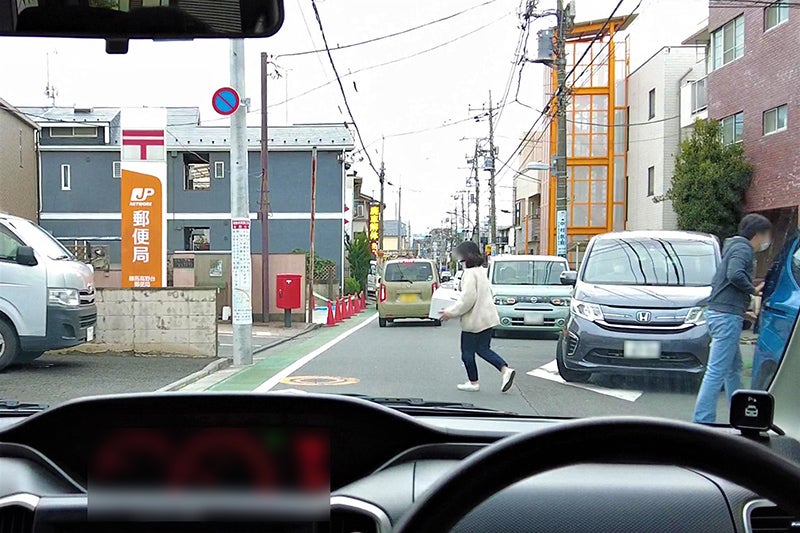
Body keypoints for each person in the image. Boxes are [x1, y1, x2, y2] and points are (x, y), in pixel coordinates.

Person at [693, 214, 773, 424]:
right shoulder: (743, 249)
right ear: (757, 234)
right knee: (717, 371)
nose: (766, 241)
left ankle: (739, 413)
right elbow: (735, 275)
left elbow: (725, 283)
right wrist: (754, 291)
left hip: (722, 314)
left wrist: (741, 311)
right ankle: (703, 420)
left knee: (733, 368)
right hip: (726, 318)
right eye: (766, 235)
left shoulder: (733, 247)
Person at [440, 241, 516, 392]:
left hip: (474, 320)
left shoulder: (469, 273)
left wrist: (450, 312)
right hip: (487, 317)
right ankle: (505, 370)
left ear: (465, 255)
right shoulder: (481, 271)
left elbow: (467, 299)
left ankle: (473, 382)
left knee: (467, 353)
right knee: (483, 349)